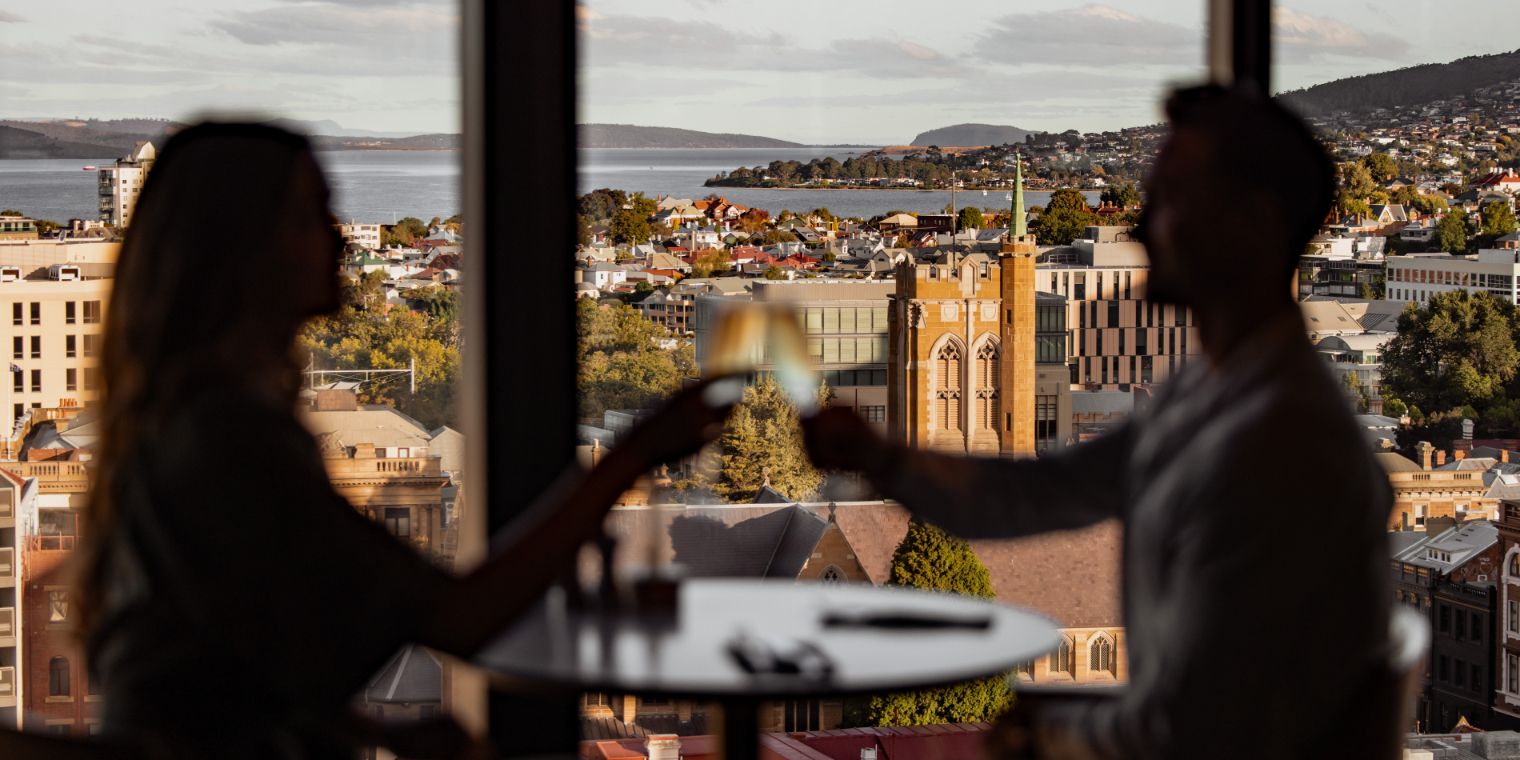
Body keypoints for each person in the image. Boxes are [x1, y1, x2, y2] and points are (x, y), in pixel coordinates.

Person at [72, 123, 734, 758]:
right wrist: (635, 453)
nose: (339, 240)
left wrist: (380, 731)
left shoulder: (177, 425)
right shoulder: (230, 442)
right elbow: (461, 617)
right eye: (309, 216)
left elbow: (229, 668)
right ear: (239, 253)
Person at [803, 85, 1393, 758]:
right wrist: (880, 457)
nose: (1139, 230)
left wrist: (1046, 735)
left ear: (1251, 224)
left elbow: (1206, 722)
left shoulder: (1282, 450)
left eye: (1170, 202)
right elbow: (1031, 496)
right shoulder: (1210, 391)